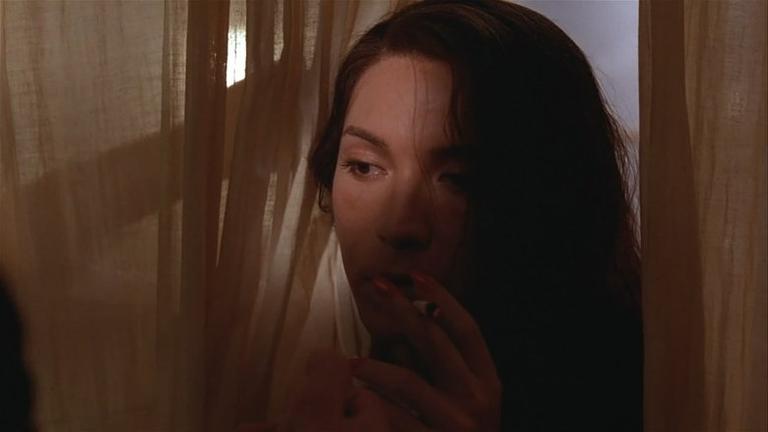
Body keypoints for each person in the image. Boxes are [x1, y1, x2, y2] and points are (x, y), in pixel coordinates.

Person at [275, 0, 643, 430]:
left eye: (459, 180)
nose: (399, 226)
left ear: (553, 198)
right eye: (364, 166)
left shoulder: (654, 397)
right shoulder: (309, 379)